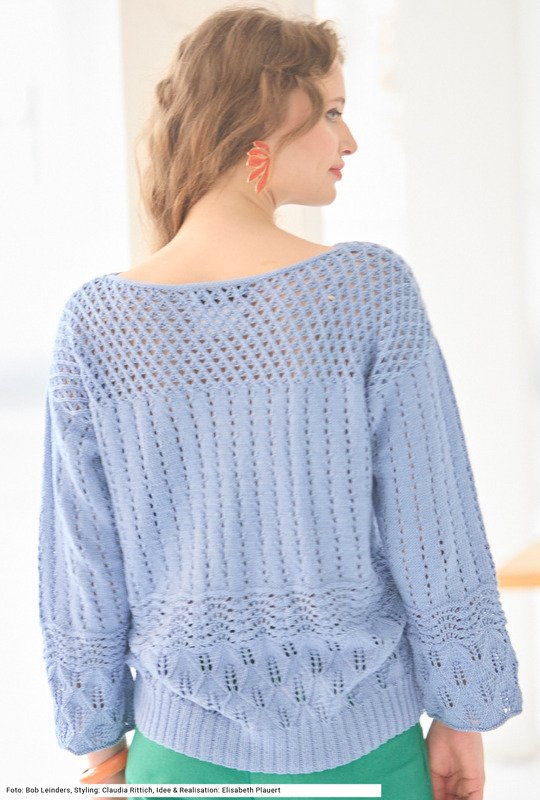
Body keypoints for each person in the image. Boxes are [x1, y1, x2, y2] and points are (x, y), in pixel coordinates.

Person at [37, 5, 523, 800]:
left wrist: (96, 743)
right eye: (330, 112)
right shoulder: (367, 291)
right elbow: (434, 530)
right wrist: (462, 713)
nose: (349, 140)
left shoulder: (98, 323)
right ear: (262, 117)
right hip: (369, 752)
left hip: (178, 757)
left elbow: (82, 566)